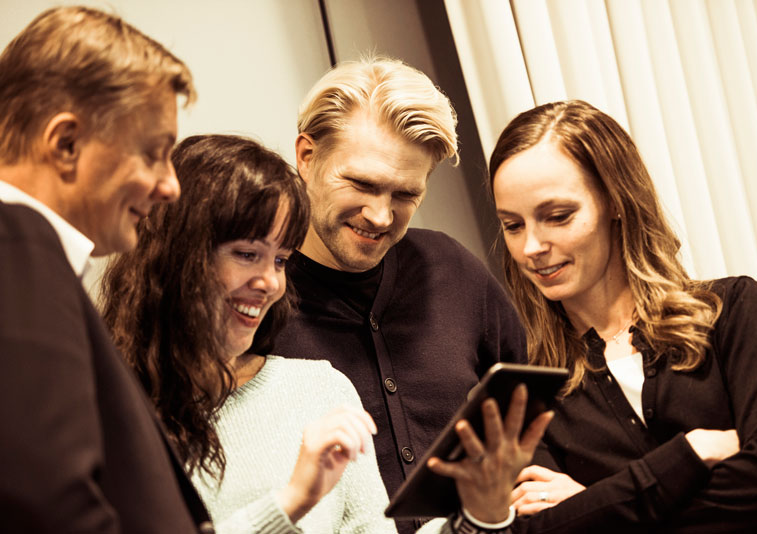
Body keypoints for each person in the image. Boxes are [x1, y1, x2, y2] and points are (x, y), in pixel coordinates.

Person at [101, 133, 552, 534]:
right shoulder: (111, 413)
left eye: (280, 260)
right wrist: (292, 502)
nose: (270, 282)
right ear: (177, 255)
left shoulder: (319, 388)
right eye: (246, 254)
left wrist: (479, 516)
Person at [487, 99, 757, 532]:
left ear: (616, 201)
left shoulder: (733, 311)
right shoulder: (527, 390)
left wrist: (593, 504)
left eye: (557, 217)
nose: (531, 247)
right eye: (513, 225)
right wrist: (692, 453)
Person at [268, 57, 529, 532]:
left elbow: (530, 407)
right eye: (362, 184)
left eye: (406, 194)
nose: (381, 216)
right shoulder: (255, 299)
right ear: (306, 156)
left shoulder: (452, 269)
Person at [0, 6, 213, 533]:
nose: (171, 185)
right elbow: (45, 503)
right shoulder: (16, 242)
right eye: (154, 154)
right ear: (66, 144)